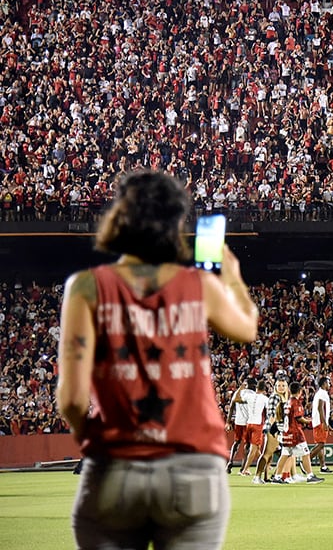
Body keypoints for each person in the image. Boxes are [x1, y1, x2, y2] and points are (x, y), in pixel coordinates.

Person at [57, 170, 259, 549]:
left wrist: (96, 442)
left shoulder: (85, 287)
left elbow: (70, 399)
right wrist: (231, 276)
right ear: (175, 224)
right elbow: (247, 328)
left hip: (115, 466)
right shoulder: (199, 285)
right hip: (194, 466)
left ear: (119, 218)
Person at [275, 381, 323, 483]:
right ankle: (310, 476)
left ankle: (277, 477)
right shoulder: (296, 403)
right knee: (305, 453)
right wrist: (308, 421)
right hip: (295, 433)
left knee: (285, 454)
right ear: (300, 391)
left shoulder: (288, 402)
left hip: (286, 433)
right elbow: (298, 417)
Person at [254, 378, 288, 484]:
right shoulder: (275, 397)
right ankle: (257, 477)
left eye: (283, 386)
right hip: (274, 428)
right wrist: (273, 430)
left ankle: (267, 476)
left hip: (278, 429)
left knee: (275, 454)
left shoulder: (283, 397)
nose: (281, 388)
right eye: (279, 385)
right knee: (267, 453)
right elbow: (272, 415)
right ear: (275, 387)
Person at [239, 380, 270, 476]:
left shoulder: (249, 396)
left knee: (256, 448)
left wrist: (241, 388)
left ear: (256, 387)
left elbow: (239, 397)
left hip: (249, 424)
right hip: (257, 425)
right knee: (253, 449)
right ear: (264, 390)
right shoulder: (265, 398)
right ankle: (245, 469)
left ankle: (264, 465)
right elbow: (270, 410)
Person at [225, 378, 256, 473]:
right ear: (253, 385)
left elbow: (231, 407)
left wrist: (228, 422)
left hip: (238, 421)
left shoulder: (238, 392)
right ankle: (243, 468)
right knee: (247, 445)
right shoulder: (253, 395)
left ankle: (230, 462)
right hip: (248, 422)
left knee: (236, 442)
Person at [310, 377, 333, 474]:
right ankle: (306, 461)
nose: (329, 384)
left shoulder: (321, 393)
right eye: (328, 383)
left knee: (320, 445)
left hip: (318, 421)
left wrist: (327, 424)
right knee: (321, 444)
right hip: (319, 422)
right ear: (324, 384)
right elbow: (320, 408)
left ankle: (323, 466)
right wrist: (324, 423)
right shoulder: (322, 393)